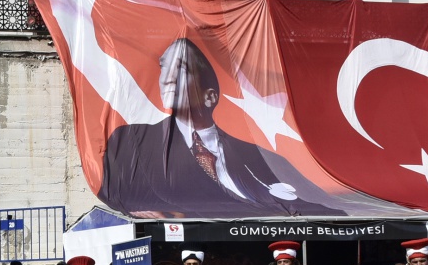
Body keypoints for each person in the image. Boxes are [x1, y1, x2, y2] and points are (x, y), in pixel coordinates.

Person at [100, 37, 344, 217]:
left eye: (181, 68)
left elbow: (325, 207)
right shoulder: (132, 141)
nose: (167, 78)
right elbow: (112, 192)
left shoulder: (261, 157)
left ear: (210, 97)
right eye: (164, 66)